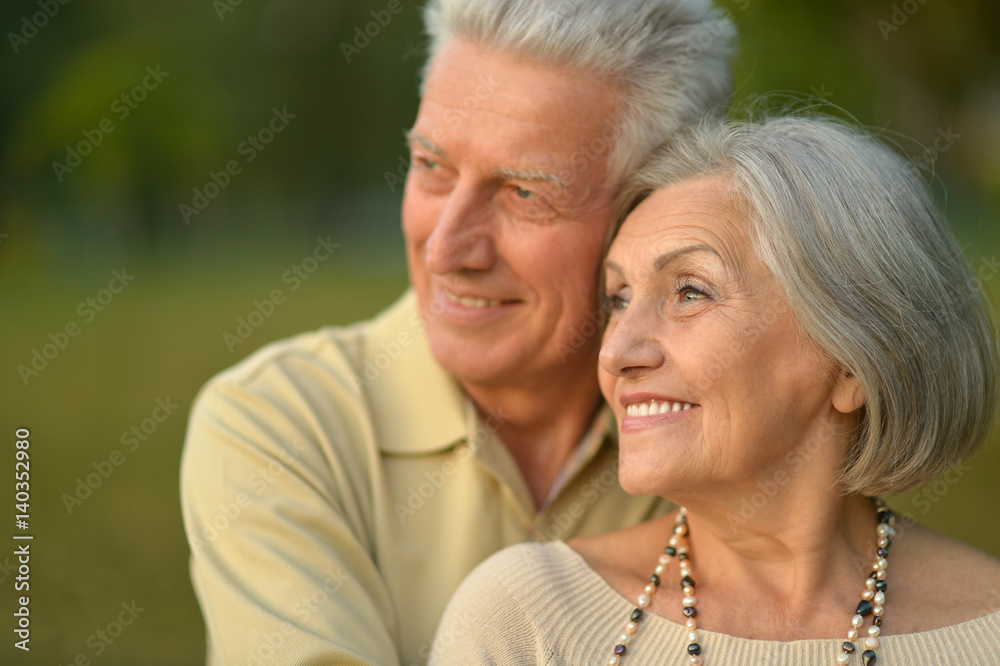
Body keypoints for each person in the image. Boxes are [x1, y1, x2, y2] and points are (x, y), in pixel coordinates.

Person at [180, 1, 736, 664]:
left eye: (524, 194)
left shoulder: (739, 440)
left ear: (654, 214)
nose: (446, 248)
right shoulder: (280, 424)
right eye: (432, 167)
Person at [428, 113, 1000, 665]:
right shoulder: (525, 616)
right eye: (619, 299)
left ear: (854, 362)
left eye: (691, 292)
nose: (615, 352)